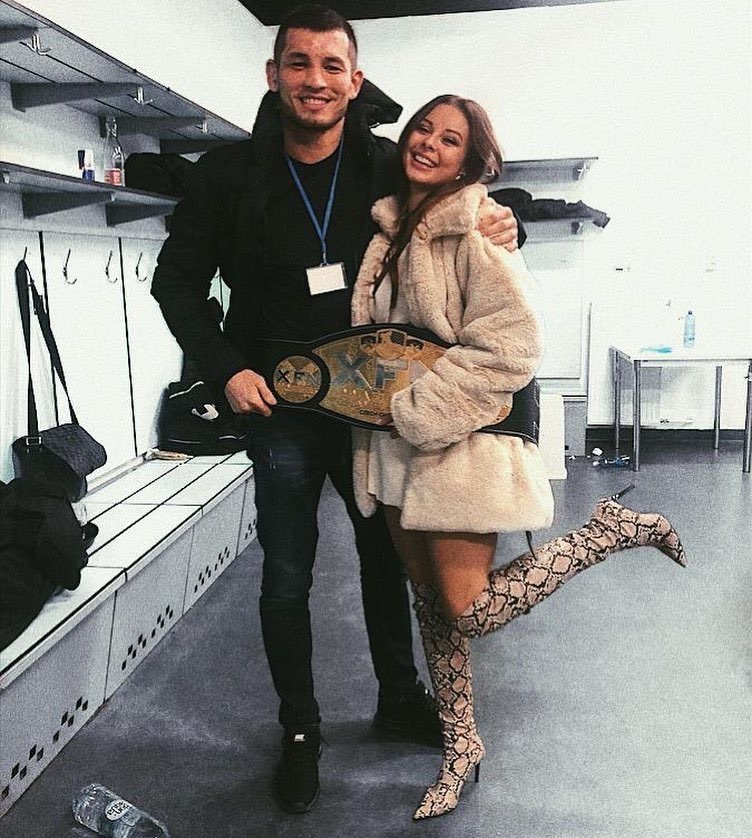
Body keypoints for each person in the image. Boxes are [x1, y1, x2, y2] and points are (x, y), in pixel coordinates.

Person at [151, 4, 524, 816]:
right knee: (287, 575)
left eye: (331, 66)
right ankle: (299, 731)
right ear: (274, 74)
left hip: (376, 411)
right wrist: (224, 369)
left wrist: (505, 220)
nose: (314, 80)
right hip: (277, 408)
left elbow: (461, 206)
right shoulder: (224, 175)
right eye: (299, 63)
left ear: (355, 81)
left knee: (387, 564)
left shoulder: (387, 165)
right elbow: (174, 282)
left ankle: (398, 696)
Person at [350, 94, 687, 820]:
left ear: (470, 164)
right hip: (396, 443)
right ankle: (459, 745)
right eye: (422, 129)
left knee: (467, 608)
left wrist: (419, 409)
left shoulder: (476, 229)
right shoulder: (389, 232)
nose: (428, 144)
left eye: (450, 140)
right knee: (430, 604)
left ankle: (605, 533)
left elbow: (513, 345)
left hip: (456, 438)